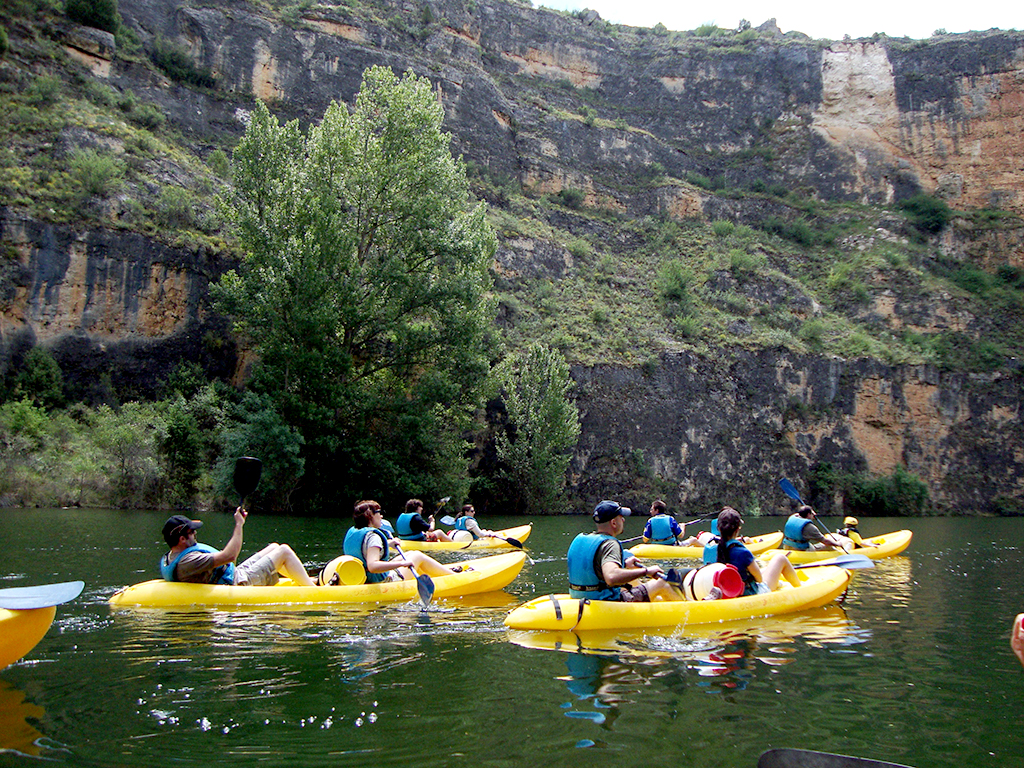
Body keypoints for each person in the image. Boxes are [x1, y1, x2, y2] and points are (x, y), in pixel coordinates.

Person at [567, 500, 683, 603]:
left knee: (642, 588)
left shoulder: (580, 539)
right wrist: (646, 571)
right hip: (604, 602)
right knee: (661, 584)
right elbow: (611, 576)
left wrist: (625, 565)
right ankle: (690, 612)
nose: (623, 519)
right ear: (613, 523)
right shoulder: (610, 544)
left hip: (581, 597)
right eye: (621, 517)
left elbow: (593, 568)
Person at [160, 511, 315, 586]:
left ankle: (305, 580)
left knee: (274, 547)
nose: (195, 533)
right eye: (192, 532)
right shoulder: (189, 561)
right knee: (284, 551)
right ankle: (314, 592)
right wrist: (239, 524)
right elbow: (230, 556)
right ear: (182, 539)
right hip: (238, 583)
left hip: (234, 573)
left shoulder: (172, 556)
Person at [344, 500, 458, 582]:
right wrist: (402, 564)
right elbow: (373, 566)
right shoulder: (373, 537)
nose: (382, 516)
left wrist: (388, 544)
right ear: (370, 516)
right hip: (381, 580)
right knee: (417, 555)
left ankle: (442, 573)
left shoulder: (354, 531)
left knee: (411, 553)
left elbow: (366, 550)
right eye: (379, 512)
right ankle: (454, 577)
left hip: (363, 576)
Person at [703, 507, 800, 596]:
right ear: (738, 529)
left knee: (763, 569)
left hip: (720, 593)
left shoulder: (708, 549)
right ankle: (801, 588)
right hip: (746, 594)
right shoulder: (742, 552)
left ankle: (781, 583)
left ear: (718, 528)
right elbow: (760, 579)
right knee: (780, 558)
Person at [782, 504, 846, 552]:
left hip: (788, 545)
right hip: (801, 549)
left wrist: (810, 514)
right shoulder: (810, 527)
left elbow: (798, 514)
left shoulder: (791, 517)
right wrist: (837, 544)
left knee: (816, 545)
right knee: (829, 546)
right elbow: (825, 541)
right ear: (809, 514)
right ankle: (840, 554)